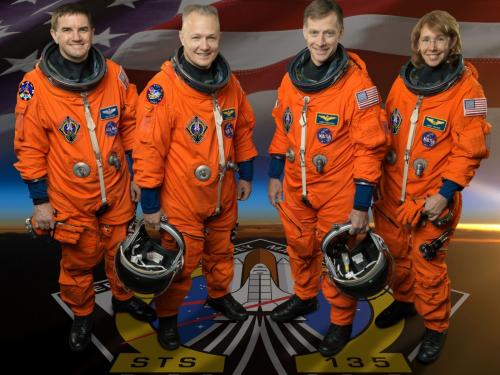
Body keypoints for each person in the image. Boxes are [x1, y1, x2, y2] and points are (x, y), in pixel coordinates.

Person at [13, 3, 156, 352]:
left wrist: (138, 174)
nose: (76, 37)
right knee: (78, 261)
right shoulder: (35, 87)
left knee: (122, 251)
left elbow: (131, 126)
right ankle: (82, 313)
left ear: (92, 33)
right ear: (54, 34)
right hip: (70, 195)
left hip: (118, 188)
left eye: (82, 30)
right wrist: (40, 201)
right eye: (67, 30)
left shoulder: (114, 74)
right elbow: (29, 147)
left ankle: (122, 298)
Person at [133, 4, 258, 350]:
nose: (204, 45)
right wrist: (150, 205)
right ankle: (169, 318)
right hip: (180, 199)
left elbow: (242, 128)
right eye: (197, 37)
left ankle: (219, 295)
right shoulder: (163, 91)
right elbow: (147, 151)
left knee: (221, 251)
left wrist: (245, 174)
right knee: (179, 264)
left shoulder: (228, 82)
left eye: (211, 37)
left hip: (222, 193)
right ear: (182, 37)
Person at [268, 0, 388, 357]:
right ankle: (304, 297)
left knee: (340, 257)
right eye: (315, 32)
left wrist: (361, 204)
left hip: (338, 188)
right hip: (295, 184)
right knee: (300, 247)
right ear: (304, 32)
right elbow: (282, 128)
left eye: (329, 33)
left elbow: (371, 149)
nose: (321, 41)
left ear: (340, 33)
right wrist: (275, 175)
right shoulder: (292, 77)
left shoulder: (358, 85)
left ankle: (340, 322)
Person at [373, 10, 491, 364]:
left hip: (432, 199)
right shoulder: (404, 81)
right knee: (397, 259)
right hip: (393, 195)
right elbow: (388, 133)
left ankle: (436, 327)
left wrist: (446, 193)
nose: (432, 46)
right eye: (426, 39)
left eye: (440, 39)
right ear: (417, 43)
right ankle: (405, 301)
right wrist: (377, 179)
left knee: (428, 267)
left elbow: (469, 150)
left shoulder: (468, 90)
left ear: (452, 42)